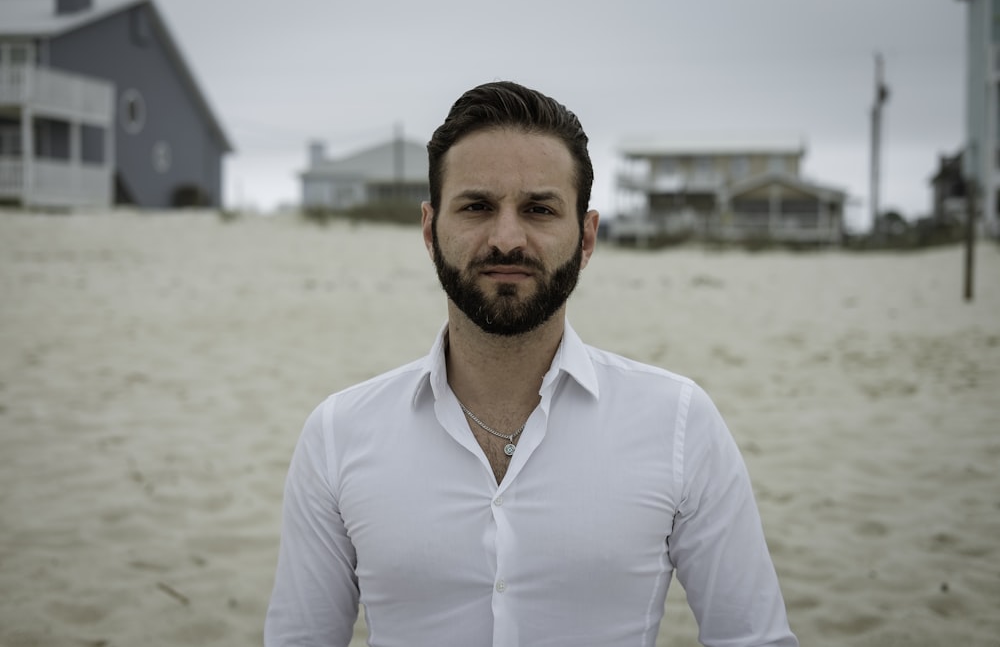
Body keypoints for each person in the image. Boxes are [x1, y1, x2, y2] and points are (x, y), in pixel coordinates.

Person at [264, 81, 798, 647]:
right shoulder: (338, 435)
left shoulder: (679, 423)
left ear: (587, 238)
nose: (507, 238)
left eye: (539, 209)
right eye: (477, 206)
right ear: (429, 229)